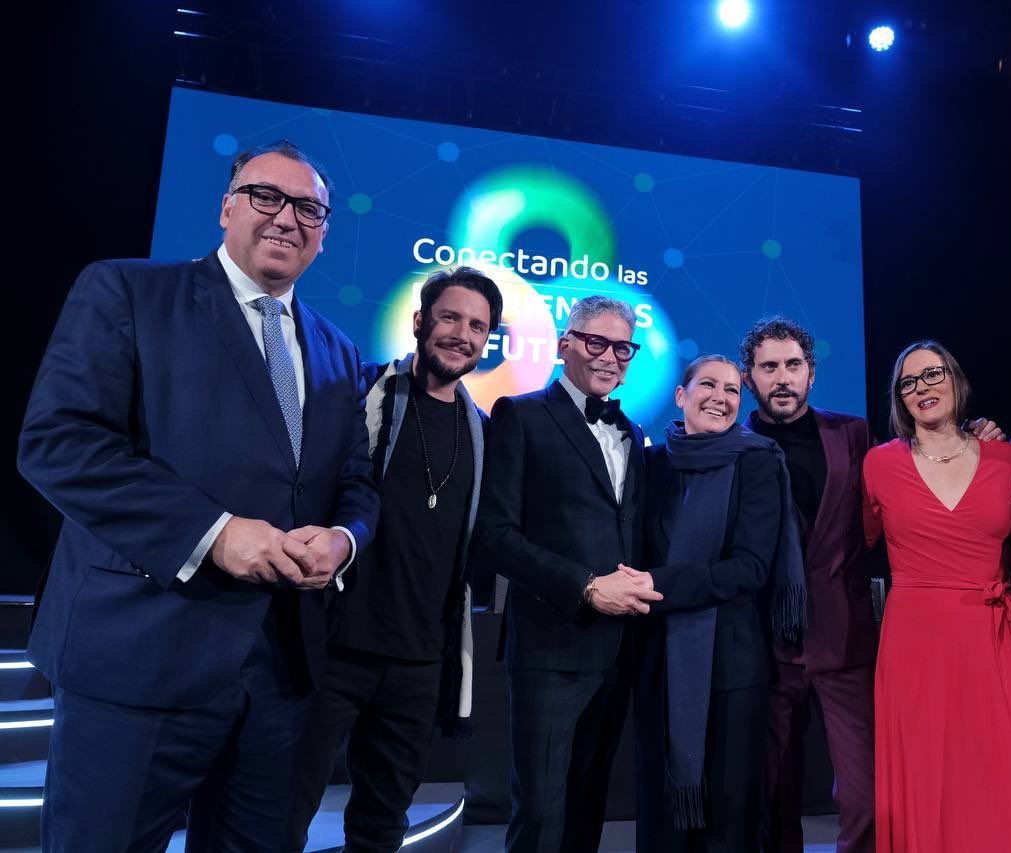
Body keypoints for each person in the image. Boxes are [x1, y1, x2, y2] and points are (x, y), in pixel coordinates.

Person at [16, 139, 380, 851]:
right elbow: (58, 443)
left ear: (325, 230)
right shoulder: (128, 291)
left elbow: (355, 483)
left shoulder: (337, 349)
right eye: (264, 195)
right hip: (139, 660)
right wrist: (213, 531)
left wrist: (344, 540)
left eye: (308, 207)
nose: (286, 218)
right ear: (225, 207)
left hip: (279, 678)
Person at [746, 317, 1003, 853]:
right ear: (750, 379)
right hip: (762, 649)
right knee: (771, 797)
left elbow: (912, 476)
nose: (782, 378)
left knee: (867, 799)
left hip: (846, 643)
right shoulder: (736, 446)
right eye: (769, 367)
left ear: (811, 374)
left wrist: (972, 440)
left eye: (793, 365)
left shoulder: (853, 434)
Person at [283, 267, 502, 852]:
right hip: (334, 649)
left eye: (477, 326)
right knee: (283, 811)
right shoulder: (359, 395)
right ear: (419, 322)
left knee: (381, 827)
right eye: (450, 317)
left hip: (419, 663)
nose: (462, 334)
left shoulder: (484, 435)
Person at [472, 295, 662, 853]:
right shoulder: (521, 414)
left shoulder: (631, 431)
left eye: (622, 347)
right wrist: (583, 586)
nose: (610, 357)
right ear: (564, 345)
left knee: (588, 806)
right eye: (596, 342)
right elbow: (494, 536)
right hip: (551, 650)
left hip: (619, 651)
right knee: (541, 813)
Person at [862, 340, 1011, 853]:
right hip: (915, 646)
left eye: (932, 375)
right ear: (899, 399)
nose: (921, 388)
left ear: (956, 380)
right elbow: (856, 546)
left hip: (995, 637)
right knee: (929, 778)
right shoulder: (878, 465)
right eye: (908, 382)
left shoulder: (1007, 457)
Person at [633, 355, 805, 852]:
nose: (721, 397)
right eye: (707, 384)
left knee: (730, 821)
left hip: (734, 666)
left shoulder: (758, 460)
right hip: (658, 661)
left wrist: (654, 583)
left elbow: (751, 567)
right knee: (661, 818)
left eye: (733, 390)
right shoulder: (651, 464)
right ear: (681, 395)